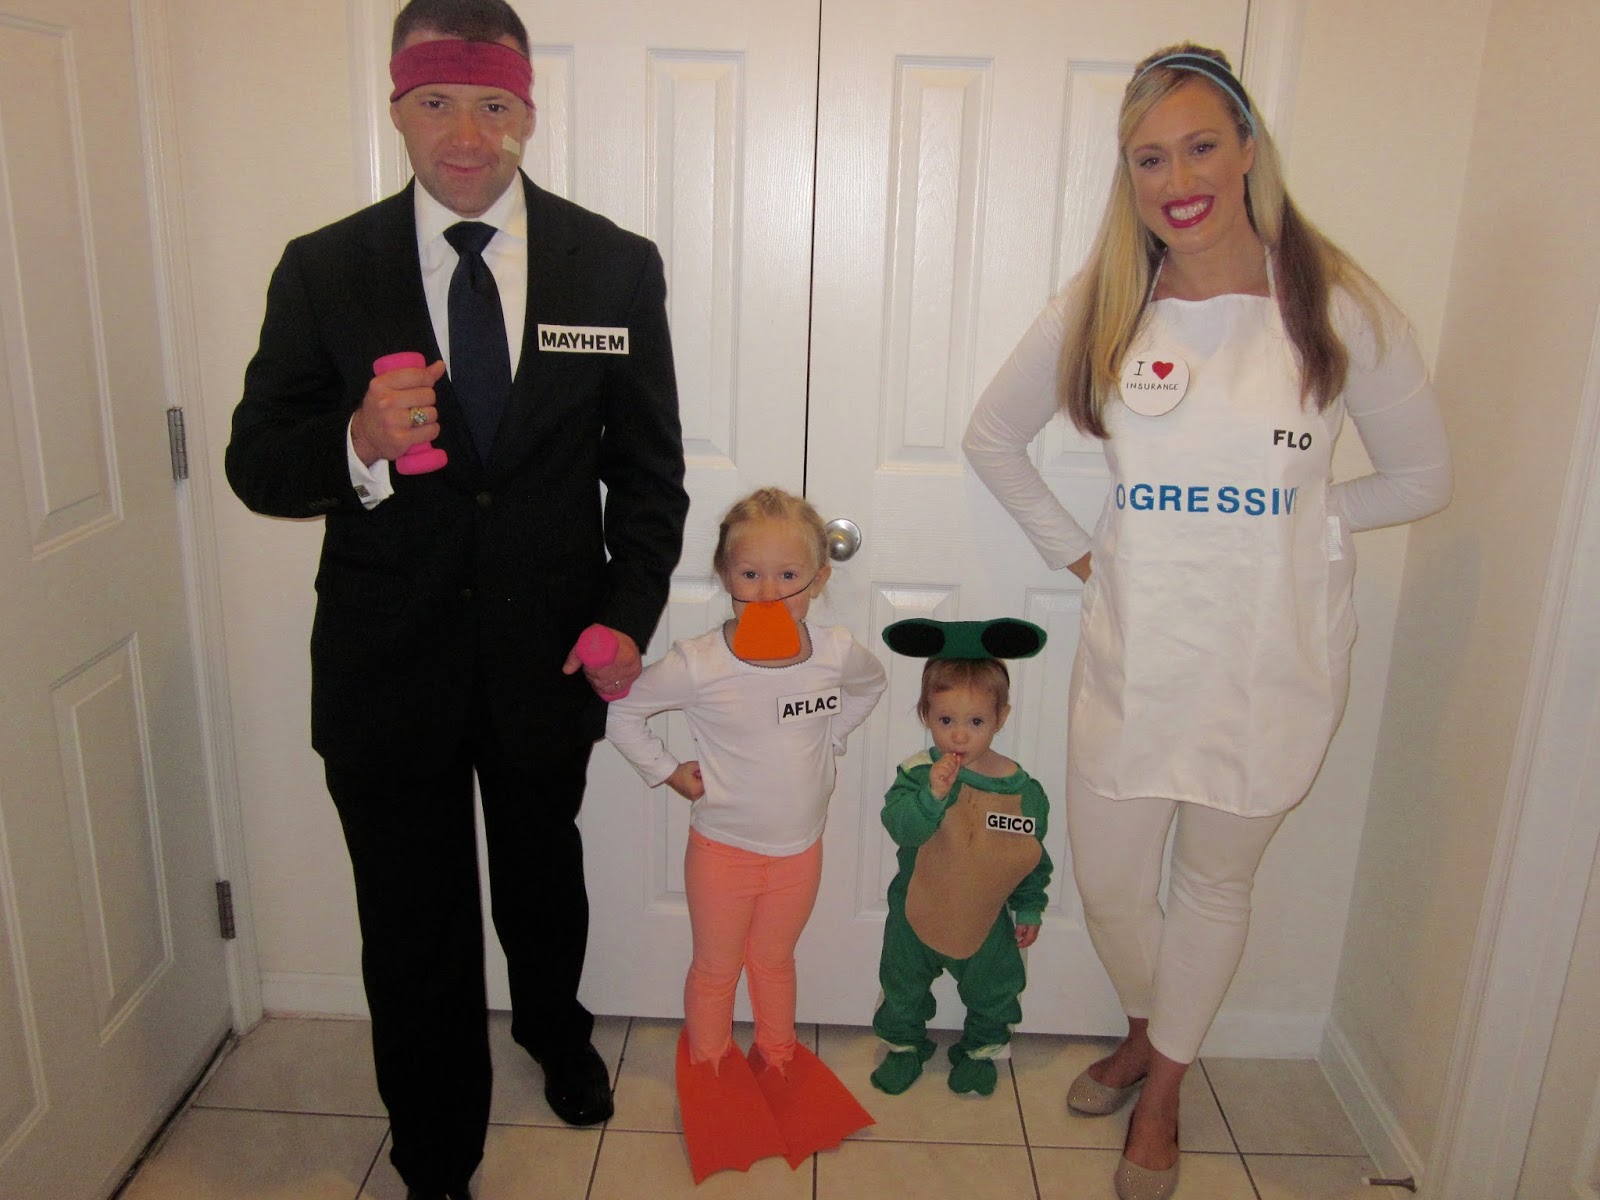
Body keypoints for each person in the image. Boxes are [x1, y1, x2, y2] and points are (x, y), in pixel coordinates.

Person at [963, 44, 1451, 1200]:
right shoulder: (1103, 305)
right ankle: (1145, 1025)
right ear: (1126, 175)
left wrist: (1305, 525)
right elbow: (991, 439)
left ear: (1244, 152)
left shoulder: (1335, 307)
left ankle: (1165, 1086)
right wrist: (1080, 552)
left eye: (1198, 147)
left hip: (1271, 663)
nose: (1176, 179)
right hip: (1137, 658)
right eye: (1148, 158)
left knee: (1214, 886)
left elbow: (1420, 478)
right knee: (1112, 886)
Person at [224, 1, 688, 1195]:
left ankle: (554, 1031)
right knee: (411, 920)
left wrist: (624, 616)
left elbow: (648, 477)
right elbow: (255, 462)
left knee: (542, 875)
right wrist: (356, 443)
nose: (466, 136)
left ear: (527, 111)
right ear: (398, 108)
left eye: (492, 105)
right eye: (436, 103)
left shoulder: (611, 264)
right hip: (388, 662)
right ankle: (434, 1150)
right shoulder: (326, 269)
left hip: (550, 653)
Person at [604, 487, 886, 1182]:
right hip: (722, 853)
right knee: (716, 968)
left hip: (799, 851)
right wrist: (669, 771)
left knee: (775, 961)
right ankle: (709, 1067)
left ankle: (779, 1060)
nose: (768, 591)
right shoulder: (700, 662)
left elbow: (870, 686)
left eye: (788, 575)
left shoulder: (835, 652)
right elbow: (623, 712)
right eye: (750, 573)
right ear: (724, 574)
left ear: (818, 580)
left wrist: (833, 741)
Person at [871, 618, 1052, 1098]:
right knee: (902, 983)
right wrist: (931, 796)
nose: (959, 737)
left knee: (995, 987)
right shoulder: (917, 773)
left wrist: (1030, 906)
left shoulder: (1022, 791)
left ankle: (979, 1051)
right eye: (945, 721)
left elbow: (1030, 856)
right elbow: (901, 827)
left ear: (1000, 718)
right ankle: (904, 1046)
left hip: (984, 916)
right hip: (916, 910)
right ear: (925, 715)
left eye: (976, 723)